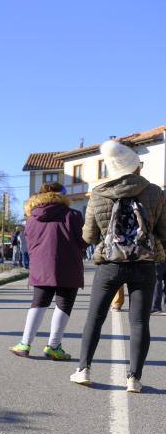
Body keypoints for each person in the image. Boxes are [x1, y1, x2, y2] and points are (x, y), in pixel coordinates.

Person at [71, 140, 166, 392]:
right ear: (136, 167)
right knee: (139, 322)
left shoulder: (99, 193)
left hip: (110, 263)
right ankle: (134, 378)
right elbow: (164, 231)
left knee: (96, 316)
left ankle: (83, 370)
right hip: (144, 263)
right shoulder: (155, 192)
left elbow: (88, 237)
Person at [10, 182, 86, 360]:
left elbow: (29, 244)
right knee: (63, 305)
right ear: (62, 195)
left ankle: (24, 343)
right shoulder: (73, 215)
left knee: (38, 303)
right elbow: (83, 241)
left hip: (40, 266)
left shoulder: (31, 217)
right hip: (68, 265)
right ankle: (53, 346)